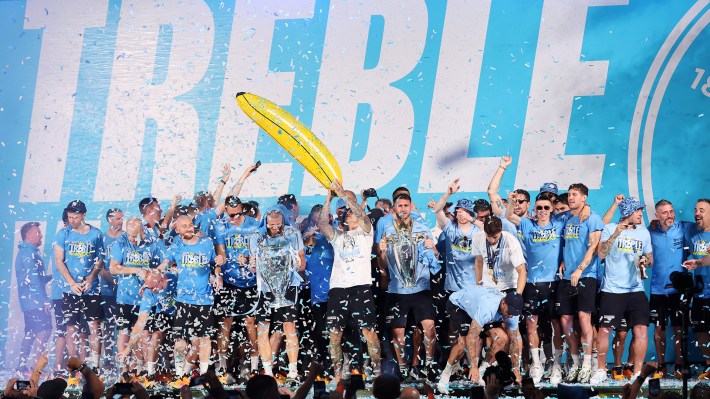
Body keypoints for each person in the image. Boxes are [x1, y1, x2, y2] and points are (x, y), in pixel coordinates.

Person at [318, 180, 382, 381]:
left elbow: (362, 214)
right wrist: (329, 198)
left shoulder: (365, 231)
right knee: (335, 334)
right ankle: (337, 374)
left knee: (369, 332)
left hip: (360, 287)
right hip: (338, 288)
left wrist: (343, 195)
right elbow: (322, 224)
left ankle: (377, 371)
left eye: (351, 212)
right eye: (347, 213)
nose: (348, 214)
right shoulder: (338, 235)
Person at [505, 192, 567, 384]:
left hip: (554, 284)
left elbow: (581, 214)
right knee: (532, 326)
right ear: (535, 209)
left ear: (551, 209)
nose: (542, 211)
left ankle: (556, 365)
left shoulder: (559, 224)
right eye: (539, 208)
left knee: (557, 326)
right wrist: (512, 201)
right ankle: (536, 364)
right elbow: (508, 216)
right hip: (531, 284)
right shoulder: (526, 223)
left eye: (546, 208)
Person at [591, 198, 653, 384]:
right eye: (637, 211)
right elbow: (601, 253)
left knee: (641, 330)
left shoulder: (644, 232)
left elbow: (650, 257)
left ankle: (638, 372)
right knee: (604, 330)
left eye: (640, 210)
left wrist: (645, 262)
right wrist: (616, 234)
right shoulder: (610, 228)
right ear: (627, 213)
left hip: (636, 290)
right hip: (612, 290)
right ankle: (601, 369)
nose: (640, 214)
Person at [378, 193, 439, 381]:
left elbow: (435, 261)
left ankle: (429, 367)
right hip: (398, 290)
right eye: (400, 205)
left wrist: (433, 248)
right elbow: (383, 265)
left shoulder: (422, 228)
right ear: (394, 208)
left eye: (406, 205)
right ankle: (403, 370)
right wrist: (381, 252)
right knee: (399, 333)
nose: (403, 209)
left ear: (411, 207)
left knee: (429, 327)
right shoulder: (387, 230)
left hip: (421, 288)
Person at [159, 215, 224, 383]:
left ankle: (203, 376)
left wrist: (218, 274)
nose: (188, 228)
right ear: (178, 229)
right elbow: (164, 264)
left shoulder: (207, 243)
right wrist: (152, 273)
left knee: (205, 338)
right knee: (180, 339)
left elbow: (215, 264)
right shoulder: (176, 246)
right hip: (183, 299)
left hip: (204, 299)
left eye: (190, 225)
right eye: (184, 226)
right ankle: (180, 374)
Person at [248, 206, 306, 379]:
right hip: (265, 289)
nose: (275, 227)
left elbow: (302, 265)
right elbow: (252, 269)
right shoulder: (257, 237)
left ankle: (293, 371)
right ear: (265, 222)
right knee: (262, 329)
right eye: (272, 224)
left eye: (278, 224)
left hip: (288, 287)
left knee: (289, 327)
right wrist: (250, 263)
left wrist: (297, 263)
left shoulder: (292, 234)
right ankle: (267, 372)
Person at [437, 285, 524, 393]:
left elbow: (514, 341)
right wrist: (473, 366)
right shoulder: (488, 308)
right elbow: (471, 337)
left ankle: (482, 370)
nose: (510, 316)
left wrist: (515, 369)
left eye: (513, 314)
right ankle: (445, 375)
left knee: (502, 339)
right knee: (463, 345)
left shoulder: (513, 314)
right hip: (459, 306)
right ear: (503, 303)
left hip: (479, 308)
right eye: (509, 312)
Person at [557, 183, 603, 383]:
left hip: (586, 275)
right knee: (565, 321)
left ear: (584, 198)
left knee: (585, 319)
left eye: (575, 195)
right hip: (567, 277)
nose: (571, 198)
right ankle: (575, 363)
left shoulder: (593, 218)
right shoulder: (568, 217)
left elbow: (593, 247)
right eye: (569, 194)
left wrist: (580, 269)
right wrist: (564, 261)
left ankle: (587, 364)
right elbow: (568, 243)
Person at [109, 218, 166, 375]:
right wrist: (136, 270)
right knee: (124, 333)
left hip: (145, 298)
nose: (132, 239)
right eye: (130, 235)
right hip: (125, 297)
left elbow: (167, 262)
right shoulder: (120, 242)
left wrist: (153, 273)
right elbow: (113, 268)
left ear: (142, 231)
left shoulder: (153, 242)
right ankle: (124, 370)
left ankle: (142, 369)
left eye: (135, 236)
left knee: (145, 333)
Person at [213, 195, 260, 378]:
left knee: (250, 323)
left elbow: (260, 253)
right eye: (231, 215)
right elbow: (222, 253)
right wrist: (220, 261)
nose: (235, 219)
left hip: (250, 281)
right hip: (230, 280)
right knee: (226, 322)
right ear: (225, 211)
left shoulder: (255, 225)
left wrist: (249, 260)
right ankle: (222, 367)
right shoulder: (220, 226)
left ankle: (254, 365)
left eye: (238, 214)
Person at [53, 200, 104, 369]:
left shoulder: (96, 234)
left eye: (75, 217)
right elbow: (59, 261)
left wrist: (90, 278)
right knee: (71, 327)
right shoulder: (63, 234)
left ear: (84, 215)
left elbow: (100, 260)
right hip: (70, 288)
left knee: (94, 325)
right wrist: (71, 283)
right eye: (69, 217)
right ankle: (72, 366)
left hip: (91, 288)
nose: (72, 221)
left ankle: (95, 365)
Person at [646, 199, 693, 378]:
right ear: (657, 215)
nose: (670, 215)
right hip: (658, 291)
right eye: (665, 213)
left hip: (678, 291)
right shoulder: (650, 232)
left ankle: (680, 365)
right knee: (659, 329)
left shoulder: (684, 228)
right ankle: (661, 366)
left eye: (671, 211)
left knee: (679, 330)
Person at [15, 222, 52, 372]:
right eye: (38, 232)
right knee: (45, 330)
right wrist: (44, 300)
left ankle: (21, 366)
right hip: (35, 301)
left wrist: (52, 276)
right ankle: (36, 367)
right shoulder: (29, 253)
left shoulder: (25, 252)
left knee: (30, 332)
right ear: (30, 235)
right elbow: (34, 280)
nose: (41, 235)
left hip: (29, 301)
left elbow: (37, 278)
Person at [683, 198, 710, 380]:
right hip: (700, 291)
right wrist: (656, 222)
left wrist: (699, 261)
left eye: (702, 210)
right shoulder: (691, 230)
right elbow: (671, 223)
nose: (697, 213)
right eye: (695, 210)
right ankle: (709, 366)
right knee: (701, 330)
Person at [100, 209, 122, 367]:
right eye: (118, 219)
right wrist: (113, 280)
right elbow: (98, 266)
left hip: (125, 291)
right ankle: (107, 359)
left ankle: (125, 359)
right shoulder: (102, 239)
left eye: (122, 219)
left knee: (124, 325)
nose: (121, 221)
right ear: (110, 220)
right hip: (107, 290)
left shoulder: (126, 237)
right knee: (108, 326)